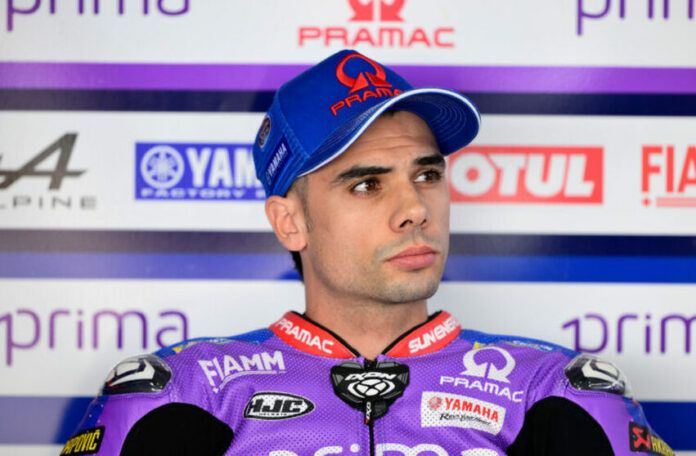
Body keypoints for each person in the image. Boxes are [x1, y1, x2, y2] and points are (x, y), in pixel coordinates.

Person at [63, 50, 673, 456]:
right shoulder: (185, 393)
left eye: (427, 175)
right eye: (366, 184)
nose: (415, 209)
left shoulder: (550, 391)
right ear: (289, 222)